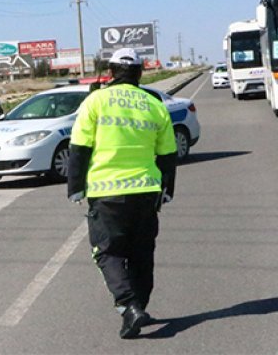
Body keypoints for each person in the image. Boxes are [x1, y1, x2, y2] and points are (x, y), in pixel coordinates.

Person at [67, 47, 178, 339]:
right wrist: (168, 190)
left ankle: (129, 306)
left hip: (107, 193)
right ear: (140, 72)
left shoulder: (95, 101)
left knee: (108, 252)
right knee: (142, 254)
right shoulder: (154, 104)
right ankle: (138, 308)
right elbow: (168, 154)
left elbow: (78, 148)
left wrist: (75, 187)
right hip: (146, 192)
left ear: (111, 71)